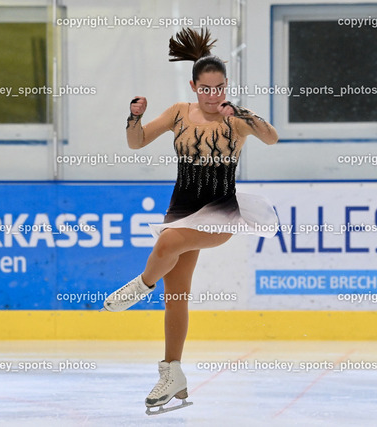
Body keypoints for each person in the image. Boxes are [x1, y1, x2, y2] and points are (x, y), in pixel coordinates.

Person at [101, 27, 278, 415]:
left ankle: (141, 286)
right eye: (206, 89)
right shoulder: (179, 113)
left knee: (165, 245)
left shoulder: (235, 120)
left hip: (220, 212)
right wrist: (134, 117)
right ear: (194, 86)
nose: (213, 96)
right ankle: (173, 373)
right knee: (176, 297)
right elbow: (136, 141)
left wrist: (242, 112)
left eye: (220, 88)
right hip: (180, 210)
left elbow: (272, 138)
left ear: (226, 86)